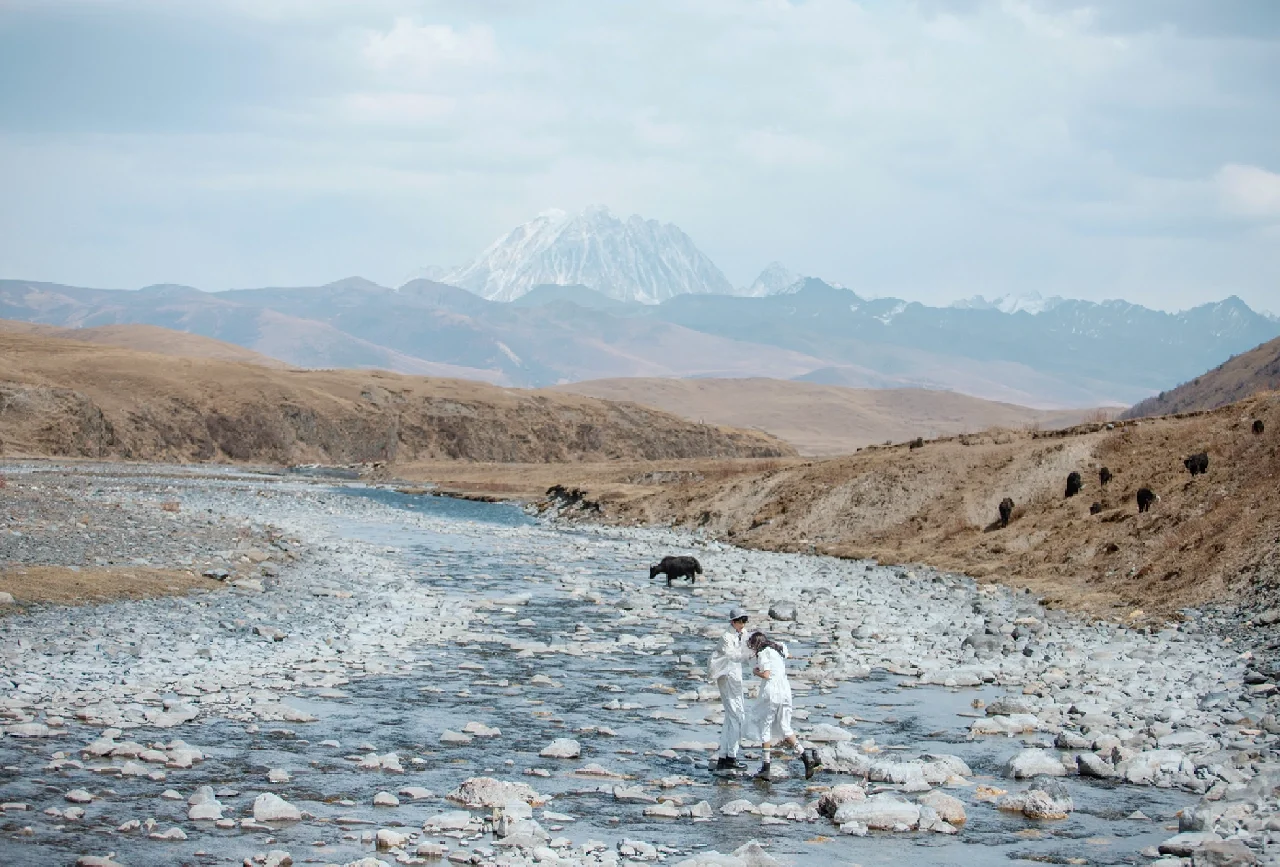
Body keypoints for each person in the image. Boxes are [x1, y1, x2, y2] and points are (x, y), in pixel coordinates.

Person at [745, 630, 820, 780]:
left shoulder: (763, 653)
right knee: (785, 727)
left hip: (771, 692)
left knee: (765, 726)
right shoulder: (778, 648)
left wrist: (755, 672)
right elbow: (788, 655)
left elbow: (766, 674)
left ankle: (766, 767)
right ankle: (806, 758)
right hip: (785, 691)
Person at [709, 606, 753, 771]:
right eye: (740, 621)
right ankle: (731, 757)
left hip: (735, 676)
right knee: (736, 716)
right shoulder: (726, 637)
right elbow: (733, 656)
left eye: (745, 620)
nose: (743, 624)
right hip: (726, 676)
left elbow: (749, 644)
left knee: (730, 716)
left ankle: (723, 756)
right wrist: (750, 654)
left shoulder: (742, 633)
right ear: (732, 622)